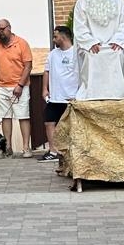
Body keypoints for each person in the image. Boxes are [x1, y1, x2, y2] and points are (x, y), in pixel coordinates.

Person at [0, 17, 36, 156]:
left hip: (20, 86)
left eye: (2, 29)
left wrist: (20, 85)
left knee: (23, 116)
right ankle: (7, 146)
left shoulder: (22, 43)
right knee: (5, 116)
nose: (0, 32)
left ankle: (26, 147)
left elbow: (28, 66)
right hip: (1, 86)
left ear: (9, 28)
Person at [42, 26, 81, 162]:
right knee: (49, 121)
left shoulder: (76, 53)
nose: (54, 39)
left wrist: (79, 94)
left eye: (55, 37)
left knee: (71, 125)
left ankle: (72, 152)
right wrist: (44, 89)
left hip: (70, 97)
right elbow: (46, 71)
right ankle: (53, 151)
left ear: (63, 37)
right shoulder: (53, 54)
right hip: (55, 98)